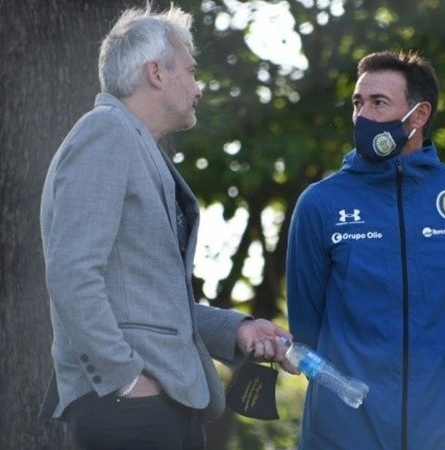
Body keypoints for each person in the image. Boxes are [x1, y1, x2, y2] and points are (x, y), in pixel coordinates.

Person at [38, 5, 294, 449]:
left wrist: (235, 331)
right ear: (156, 73)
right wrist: (124, 379)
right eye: (191, 72)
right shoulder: (106, 132)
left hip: (151, 406)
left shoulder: (133, 142)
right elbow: (72, 274)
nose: (198, 87)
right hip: (129, 410)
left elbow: (146, 303)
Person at [286, 50, 445, 449]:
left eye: (378, 102)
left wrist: (432, 386)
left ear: (419, 116)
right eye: (357, 102)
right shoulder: (320, 203)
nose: (362, 115)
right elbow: (306, 324)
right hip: (342, 435)